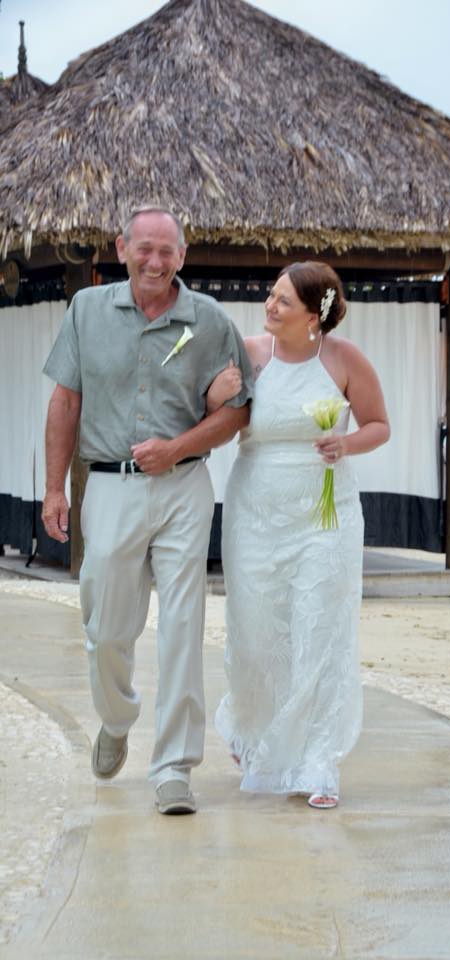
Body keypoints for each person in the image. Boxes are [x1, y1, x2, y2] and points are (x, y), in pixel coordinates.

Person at [42, 206, 253, 815]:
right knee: (105, 627)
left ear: (182, 256)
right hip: (109, 486)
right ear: (122, 248)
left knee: (183, 624)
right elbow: (65, 401)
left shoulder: (210, 321)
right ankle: (116, 718)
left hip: (185, 486)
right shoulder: (86, 310)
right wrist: (54, 489)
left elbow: (237, 410)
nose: (155, 262)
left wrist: (178, 448)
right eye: (145, 249)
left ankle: (174, 768)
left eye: (167, 251)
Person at [208, 261, 390, 809]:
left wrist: (346, 444)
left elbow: (379, 425)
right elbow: (214, 416)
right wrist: (216, 394)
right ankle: (254, 730)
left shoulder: (344, 359)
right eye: (271, 294)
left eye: (283, 300)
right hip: (255, 513)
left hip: (325, 516)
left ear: (315, 315)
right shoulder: (249, 354)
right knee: (255, 630)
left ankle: (317, 760)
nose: (270, 305)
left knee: (319, 630)